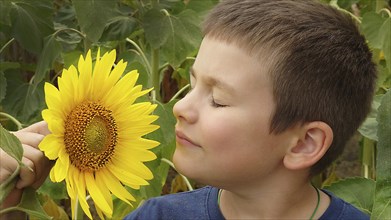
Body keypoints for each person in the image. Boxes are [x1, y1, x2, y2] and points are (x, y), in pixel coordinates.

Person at [1, 0, 376, 219]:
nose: (180, 106)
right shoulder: (158, 217)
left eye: (218, 99)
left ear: (303, 144)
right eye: (193, 83)